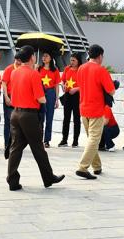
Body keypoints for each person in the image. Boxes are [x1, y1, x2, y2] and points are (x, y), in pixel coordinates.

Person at [5, 45, 63, 191]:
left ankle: (12, 180)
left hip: (15, 113)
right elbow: (41, 98)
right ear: (32, 57)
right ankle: (48, 177)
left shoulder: (14, 72)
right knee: (38, 148)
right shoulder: (34, 74)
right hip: (29, 115)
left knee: (16, 147)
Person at [73, 44, 121, 180]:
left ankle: (97, 166)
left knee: (91, 140)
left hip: (83, 108)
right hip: (96, 109)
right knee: (94, 139)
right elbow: (111, 91)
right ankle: (82, 167)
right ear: (100, 56)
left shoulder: (81, 68)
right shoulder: (101, 70)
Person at [58, 53, 82, 148]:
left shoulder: (81, 69)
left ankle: (75, 141)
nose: (71, 62)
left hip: (77, 96)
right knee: (66, 118)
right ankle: (64, 139)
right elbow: (63, 80)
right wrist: (63, 85)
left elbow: (85, 84)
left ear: (78, 61)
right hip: (67, 95)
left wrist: (76, 89)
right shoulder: (67, 68)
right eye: (71, 60)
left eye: (73, 60)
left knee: (76, 119)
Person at [37, 52, 60, 148]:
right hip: (41, 92)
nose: (44, 57)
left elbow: (56, 85)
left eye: (46, 56)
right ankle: (38, 138)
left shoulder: (55, 71)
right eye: (43, 56)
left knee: (49, 117)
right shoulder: (38, 69)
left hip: (51, 93)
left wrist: (57, 99)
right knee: (40, 117)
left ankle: (47, 140)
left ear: (51, 58)